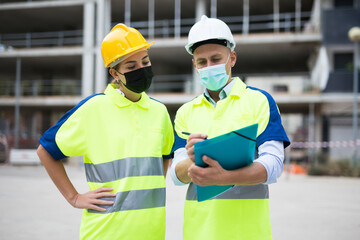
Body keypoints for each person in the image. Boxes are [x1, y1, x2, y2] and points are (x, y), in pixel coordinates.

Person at [37, 24, 174, 240]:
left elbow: (166, 156)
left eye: (145, 61)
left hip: (152, 232)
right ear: (114, 73)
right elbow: (45, 150)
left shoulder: (159, 111)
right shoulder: (93, 108)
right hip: (105, 232)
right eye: (131, 65)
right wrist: (74, 197)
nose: (142, 69)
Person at [170, 15, 290, 240]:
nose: (208, 67)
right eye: (202, 62)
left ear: (232, 58)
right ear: (194, 64)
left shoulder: (259, 101)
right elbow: (177, 177)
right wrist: (190, 159)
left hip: (248, 232)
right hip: (199, 232)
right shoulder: (186, 112)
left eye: (216, 59)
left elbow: (273, 165)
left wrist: (224, 177)